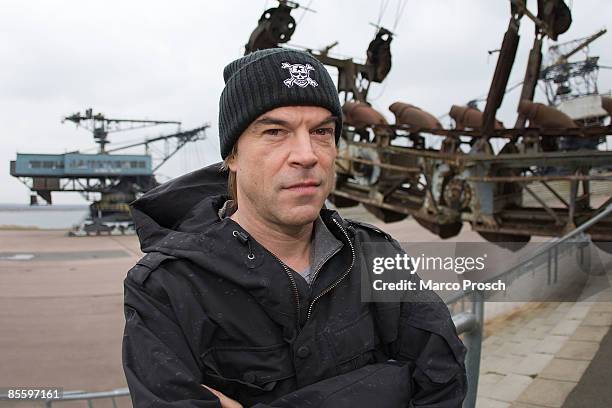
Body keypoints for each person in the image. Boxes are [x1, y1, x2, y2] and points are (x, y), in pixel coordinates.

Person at [122, 48, 467, 408]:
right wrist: (386, 384)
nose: (307, 154)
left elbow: (444, 379)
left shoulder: (376, 255)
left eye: (321, 131)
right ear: (232, 156)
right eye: (275, 131)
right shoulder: (166, 287)